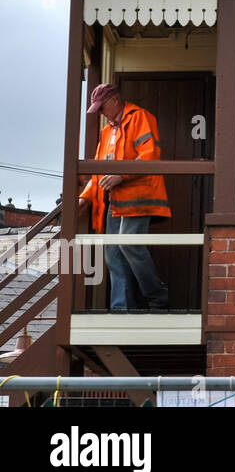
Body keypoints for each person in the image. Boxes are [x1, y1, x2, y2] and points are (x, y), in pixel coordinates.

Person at [78, 83, 170, 311]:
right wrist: (85, 197)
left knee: (128, 243)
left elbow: (150, 155)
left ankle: (158, 297)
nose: (99, 113)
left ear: (115, 101)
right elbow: (99, 173)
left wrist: (122, 174)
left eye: (101, 108)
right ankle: (121, 308)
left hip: (139, 197)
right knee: (113, 253)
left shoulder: (140, 118)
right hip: (115, 202)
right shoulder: (107, 131)